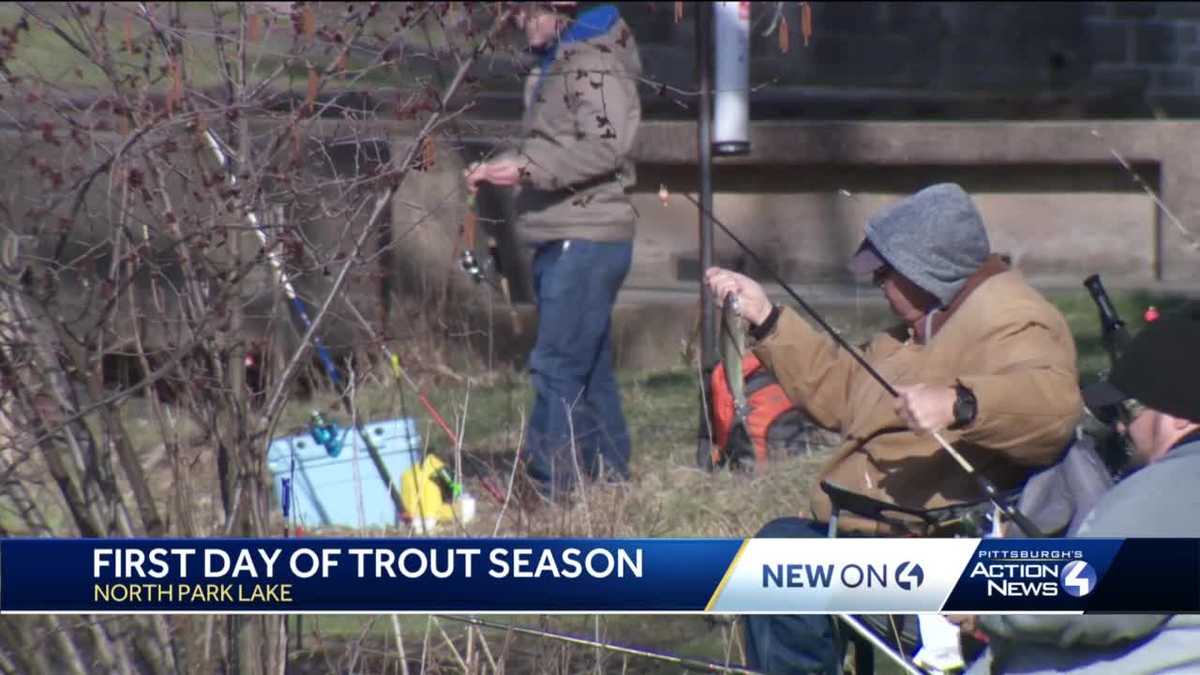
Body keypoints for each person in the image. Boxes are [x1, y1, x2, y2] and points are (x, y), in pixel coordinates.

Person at [705, 183, 1084, 673]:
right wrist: (765, 318)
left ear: (926, 268)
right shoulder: (921, 326)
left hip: (937, 557)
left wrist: (964, 403)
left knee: (778, 566)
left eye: (885, 273)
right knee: (777, 549)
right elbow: (840, 390)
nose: (877, 285)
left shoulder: (1015, 320)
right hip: (867, 538)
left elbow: (1053, 407)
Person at [961, 309, 1200, 674]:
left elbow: (1095, 587)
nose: (1121, 428)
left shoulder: (1182, 480)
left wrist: (978, 587)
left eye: (1128, 411)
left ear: (1181, 418)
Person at [466, 3, 641, 500]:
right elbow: (557, 145)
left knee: (557, 365)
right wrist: (512, 163)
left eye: (527, 15)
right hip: (564, 231)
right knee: (588, 365)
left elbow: (607, 147)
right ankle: (607, 478)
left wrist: (523, 171)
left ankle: (553, 489)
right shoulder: (559, 60)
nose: (521, 27)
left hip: (585, 234)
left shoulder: (590, 62)